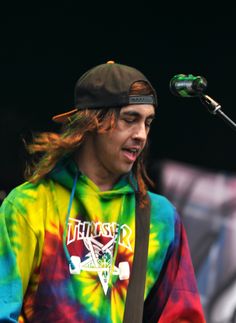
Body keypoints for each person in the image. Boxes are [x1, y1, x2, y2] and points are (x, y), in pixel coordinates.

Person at [0, 61, 206, 323]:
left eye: (148, 123)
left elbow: (181, 317)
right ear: (93, 122)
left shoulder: (159, 217)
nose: (141, 134)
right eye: (130, 119)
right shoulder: (29, 205)